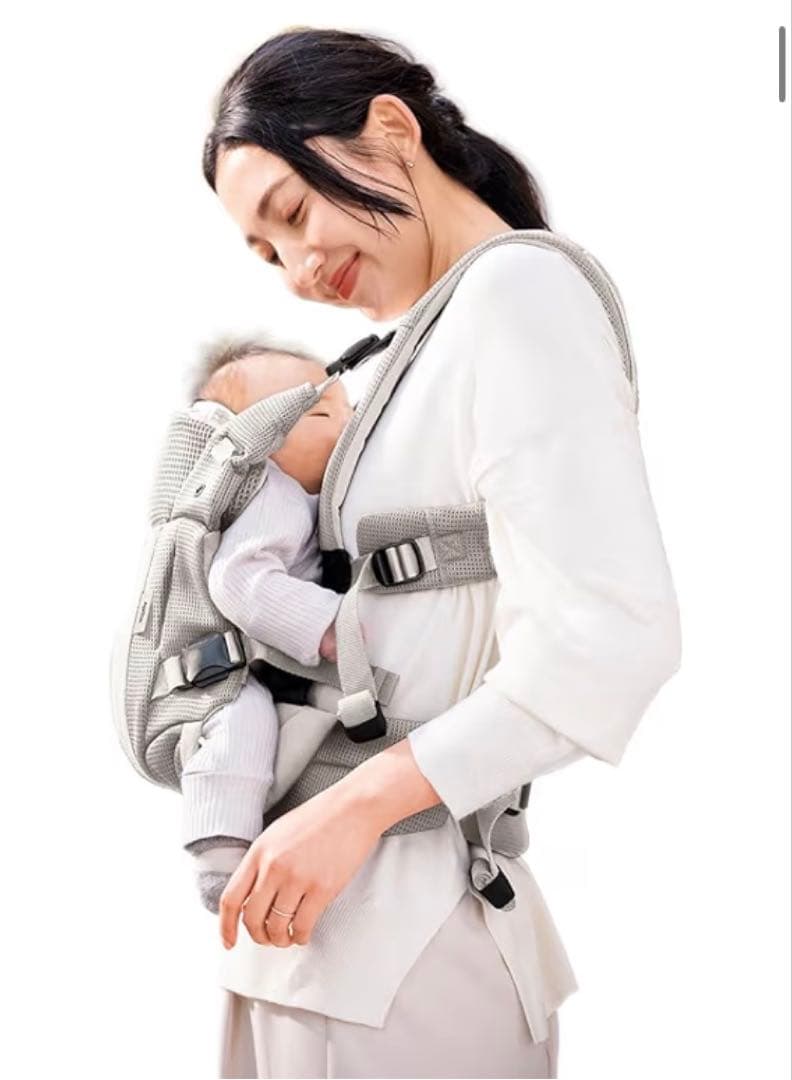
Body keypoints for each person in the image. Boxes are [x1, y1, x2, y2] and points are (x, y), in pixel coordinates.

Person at [197, 27, 682, 1080]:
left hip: (401, 942)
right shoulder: (413, 347)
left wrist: (354, 807)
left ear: (390, 129)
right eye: (267, 254)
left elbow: (611, 638)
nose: (297, 270)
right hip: (321, 936)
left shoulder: (519, 296)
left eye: (292, 213)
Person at [178, 338, 354, 913]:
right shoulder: (274, 491)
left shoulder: (303, 494)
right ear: (260, 439)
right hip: (236, 667)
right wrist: (329, 626)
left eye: (351, 409)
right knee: (241, 723)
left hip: (271, 659)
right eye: (323, 416)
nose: (349, 424)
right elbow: (239, 578)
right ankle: (220, 852)